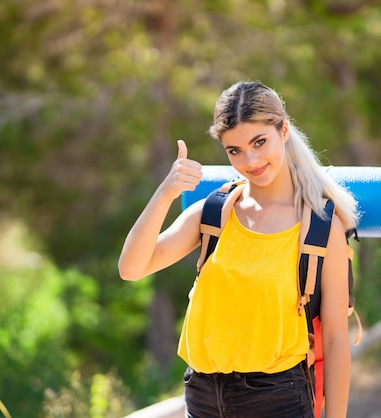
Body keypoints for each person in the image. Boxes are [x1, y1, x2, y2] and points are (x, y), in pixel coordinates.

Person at [118, 81, 358, 418]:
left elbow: (334, 340)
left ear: (284, 130)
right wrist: (165, 193)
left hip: (277, 401)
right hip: (202, 397)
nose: (251, 160)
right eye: (235, 151)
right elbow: (131, 268)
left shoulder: (320, 225)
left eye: (260, 142)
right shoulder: (213, 212)